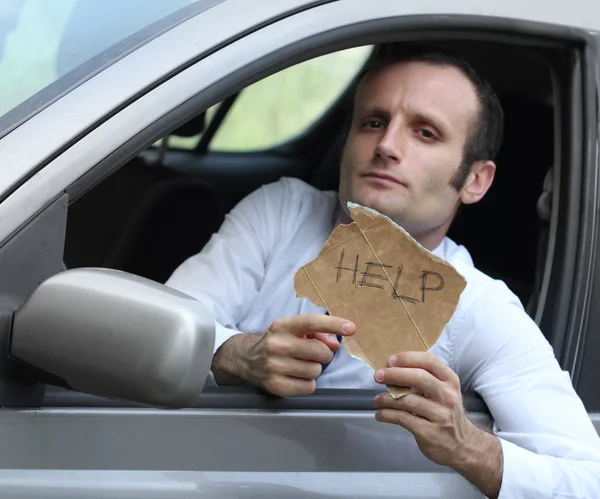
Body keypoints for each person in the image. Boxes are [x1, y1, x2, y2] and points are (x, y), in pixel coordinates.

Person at [166, 46, 600, 498]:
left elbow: (589, 481)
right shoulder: (282, 212)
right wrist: (237, 353)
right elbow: (161, 332)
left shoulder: (479, 308)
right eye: (373, 122)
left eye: (426, 133)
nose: (387, 146)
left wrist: (467, 445)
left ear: (476, 181)